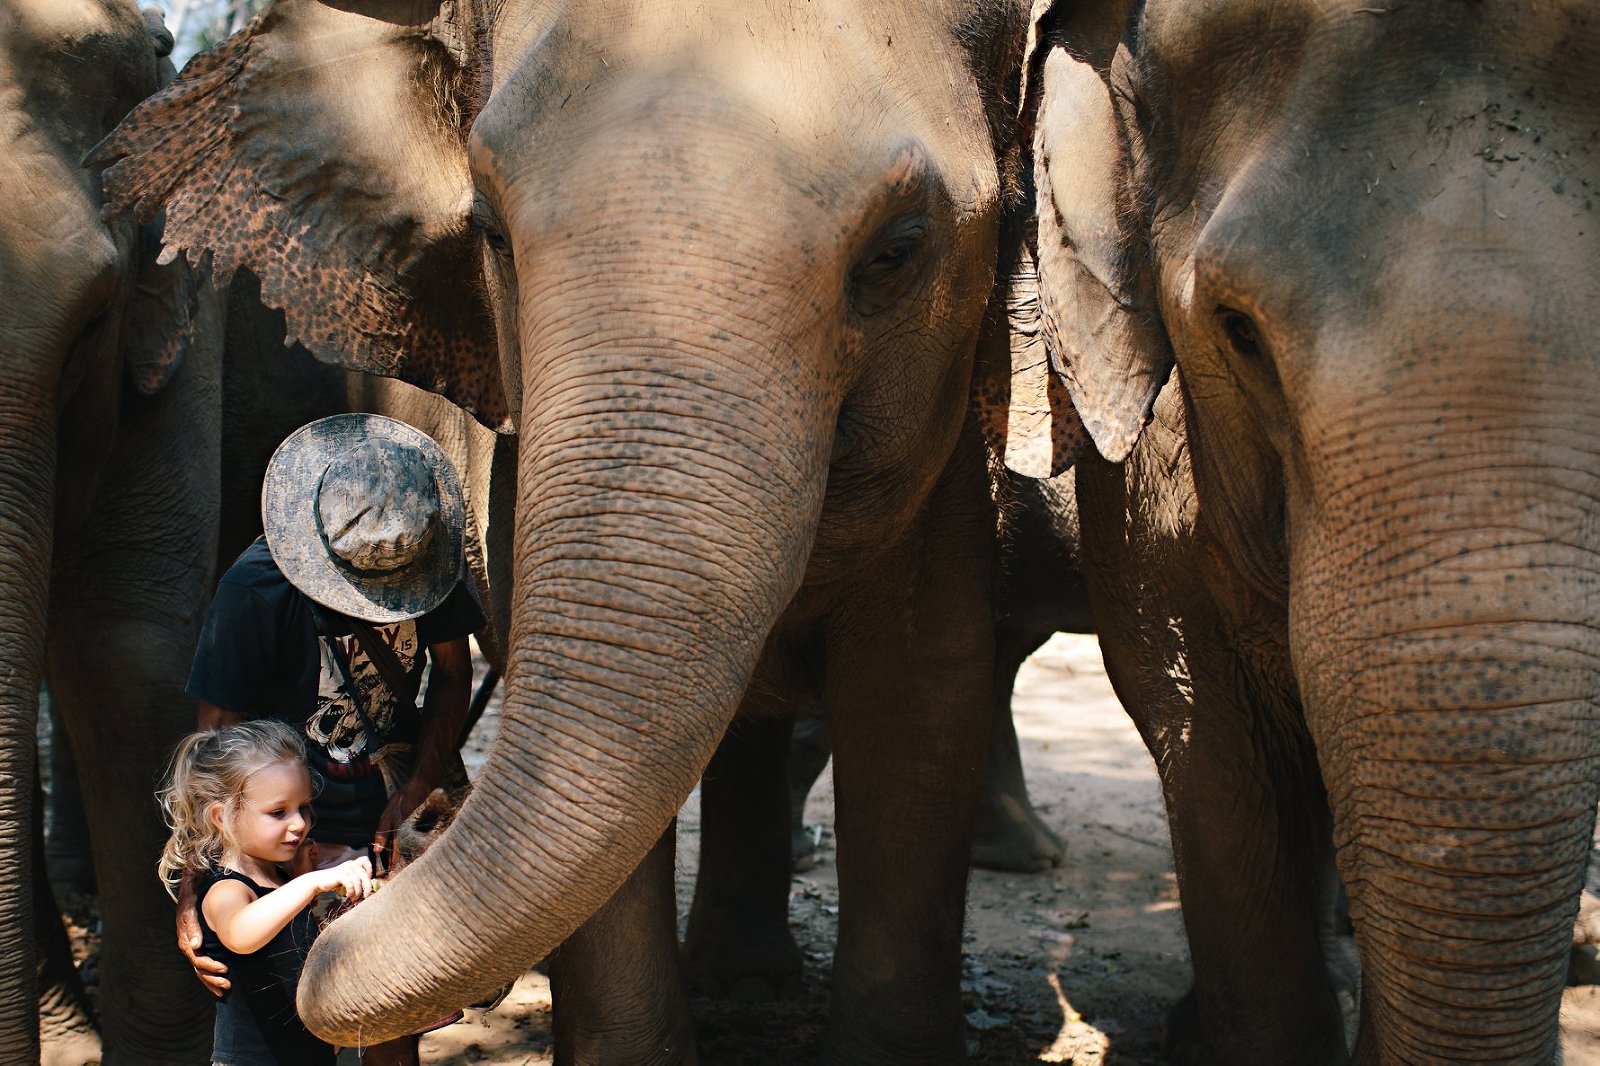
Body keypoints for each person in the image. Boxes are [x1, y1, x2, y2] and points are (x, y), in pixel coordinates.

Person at [177, 414, 485, 1066]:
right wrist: (192, 891)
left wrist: (418, 791)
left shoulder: (422, 549)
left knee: (395, 1013)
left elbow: (453, 676)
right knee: (283, 1019)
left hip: (390, 817)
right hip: (284, 831)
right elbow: (211, 745)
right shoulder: (255, 591)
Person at [158, 718, 376, 1066]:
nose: (300, 823)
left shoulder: (279, 878)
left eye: (304, 807)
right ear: (221, 816)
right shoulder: (226, 888)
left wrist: (302, 876)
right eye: (279, 812)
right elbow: (241, 935)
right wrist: (310, 883)